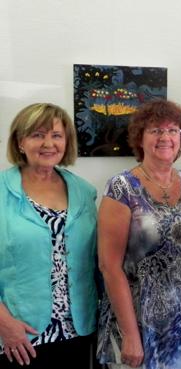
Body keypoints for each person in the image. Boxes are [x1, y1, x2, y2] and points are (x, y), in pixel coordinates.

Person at [96, 100, 181, 369]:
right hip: (136, 319)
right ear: (140, 137)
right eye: (155, 130)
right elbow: (108, 267)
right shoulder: (121, 187)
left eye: (173, 131)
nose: (166, 137)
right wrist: (131, 335)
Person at [0, 103, 98, 368]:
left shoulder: (84, 192)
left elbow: (94, 261)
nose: (48, 143)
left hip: (79, 329)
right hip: (20, 335)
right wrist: (4, 324)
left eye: (56, 135)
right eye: (37, 135)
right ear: (20, 142)